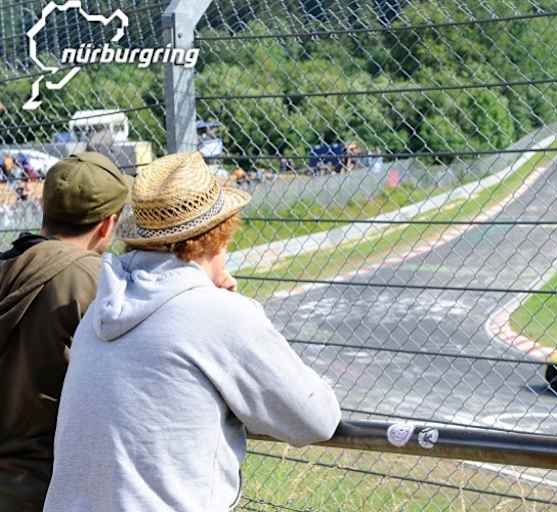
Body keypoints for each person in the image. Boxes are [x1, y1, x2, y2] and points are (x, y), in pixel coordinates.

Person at [43, 151, 341, 512]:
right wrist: (233, 312)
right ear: (221, 233)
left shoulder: (101, 312)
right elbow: (315, 419)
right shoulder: (220, 316)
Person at [0, 152, 131, 511]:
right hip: (54, 487)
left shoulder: (8, 265)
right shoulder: (97, 281)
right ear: (107, 224)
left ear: (45, 208)